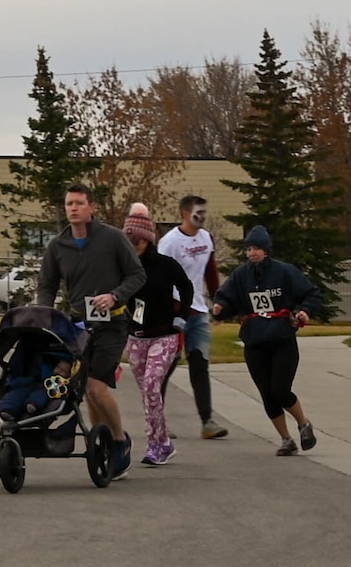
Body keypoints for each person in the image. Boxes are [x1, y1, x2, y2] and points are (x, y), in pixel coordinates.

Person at [37, 183, 148, 477]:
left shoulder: (112, 238)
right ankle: (100, 442)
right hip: (78, 325)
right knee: (87, 392)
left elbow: (138, 274)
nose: (73, 208)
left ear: (92, 209)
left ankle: (120, 441)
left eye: (79, 203)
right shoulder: (58, 246)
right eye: (69, 203)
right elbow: (46, 286)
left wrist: (115, 295)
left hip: (112, 323)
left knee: (96, 388)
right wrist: (44, 315)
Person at [212, 225, 321, 456]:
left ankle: (303, 424)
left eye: (257, 249)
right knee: (267, 394)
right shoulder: (242, 275)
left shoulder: (284, 272)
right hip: (255, 343)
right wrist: (220, 308)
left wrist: (305, 311)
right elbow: (227, 298)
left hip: (282, 340)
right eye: (249, 249)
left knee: (280, 390)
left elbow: (311, 293)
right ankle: (286, 439)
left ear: (267, 250)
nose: (252, 253)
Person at [120, 203, 194, 466]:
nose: (135, 244)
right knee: (148, 395)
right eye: (130, 239)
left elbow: (186, 287)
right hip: (136, 338)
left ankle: (154, 445)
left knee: (153, 385)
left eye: (140, 239)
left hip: (164, 335)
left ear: (148, 240)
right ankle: (164, 443)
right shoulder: (125, 268)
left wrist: (181, 317)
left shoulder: (165, 265)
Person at [158, 195, 227, 439]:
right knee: (166, 365)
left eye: (205, 212)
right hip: (175, 310)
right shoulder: (169, 243)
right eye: (199, 212)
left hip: (198, 311)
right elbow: (160, 278)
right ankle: (158, 421)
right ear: (186, 213)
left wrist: (218, 300)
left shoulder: (206, 238)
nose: (203, 216)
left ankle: (207, 421)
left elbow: (210, 271)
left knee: (200, 364)